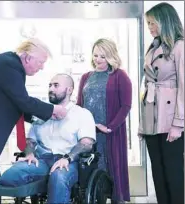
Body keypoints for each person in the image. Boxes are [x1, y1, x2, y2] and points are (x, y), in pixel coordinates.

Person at [0, 38, 67, 204]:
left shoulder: (6, 64)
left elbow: (12, 102)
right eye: (41, 62)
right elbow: (22, 100)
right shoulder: (9, 66)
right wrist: (52, 110)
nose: (42, 67)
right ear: (28, 58)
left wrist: (35, 117)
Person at [0, 74, 96, 204]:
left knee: (58, 176)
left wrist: (67, 158)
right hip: (42, 161)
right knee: (8, 177)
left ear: (69, 90)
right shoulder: (43, 113)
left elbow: (87, 143)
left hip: (69, 162)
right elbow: (30, 140)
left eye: (56, 85)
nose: (51, 89)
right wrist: (29, 153)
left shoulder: (82, 114)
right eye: (49, 85)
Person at [138, 3, 184, 204]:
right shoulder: (154, 46)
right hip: (151, 118)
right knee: (157, 170)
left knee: (173, 171)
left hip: (170, 118)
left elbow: (183, 86)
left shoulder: (180, 46)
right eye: (148, 23)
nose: (149, 27)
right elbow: (147, 86)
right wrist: (143, 124)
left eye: (152, 23)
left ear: (164, 21)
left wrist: (178, 123)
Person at [76, 38, 132, 203]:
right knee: (90, 170)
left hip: (109, 133)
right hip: (88, 132)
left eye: (103, 56)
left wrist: (110, 127)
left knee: (110, 168)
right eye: (95, 55)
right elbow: (79, 104)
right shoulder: (86, 77)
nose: (98, 59)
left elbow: (126, 106)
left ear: (111, 56)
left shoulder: (119, 76)